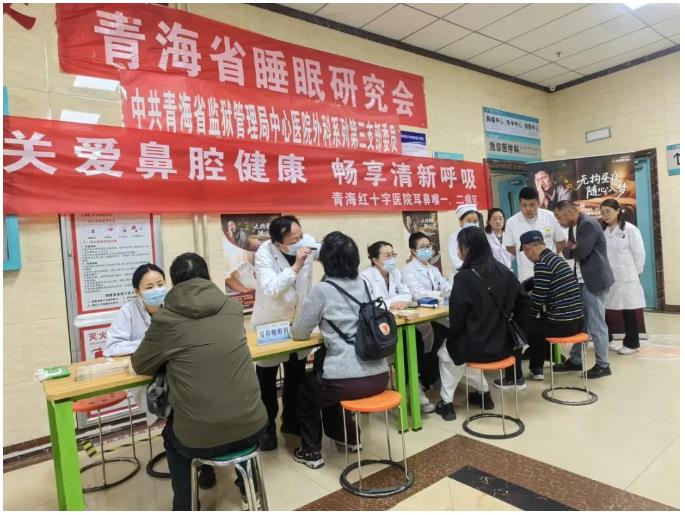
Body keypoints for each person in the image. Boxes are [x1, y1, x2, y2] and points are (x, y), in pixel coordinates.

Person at [131, 253, 268, 511]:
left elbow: (140, 364)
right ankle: (250, 492)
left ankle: (185, 505)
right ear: (208, 277)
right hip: (254, 425)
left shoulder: (165, 320)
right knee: (227, 409)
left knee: (173, 435)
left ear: (173, 283)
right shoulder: (233, 309)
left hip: (199, 439)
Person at [291, 232, 389, 469]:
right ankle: (350, 438)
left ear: (326, 259)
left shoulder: (322, 290)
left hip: (346, 382)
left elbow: (299, 332)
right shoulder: (364, 283)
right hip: (379, 375)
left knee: (305, 392)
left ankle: (311, 452)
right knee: (324, 377)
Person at [252, 215, 318, 451]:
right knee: (267, 381)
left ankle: (291, 421)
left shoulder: (306, 240)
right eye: (294, 240)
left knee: (296, 376)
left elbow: (323, 250)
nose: (301, 241)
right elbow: (271, 289)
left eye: (301, 235)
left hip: (298, 322)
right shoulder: (263, 254)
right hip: (271, 325)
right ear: (279, 244)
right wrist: (296, 266)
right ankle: (267, 429)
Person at [444, 227, 529, 403]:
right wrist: (518, 329)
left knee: (445, 353)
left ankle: (447, 402)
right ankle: (483, 394)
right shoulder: (504, 271)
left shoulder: (463, 278)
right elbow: (524, 302)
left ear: (467, 248)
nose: (458, 250)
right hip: (505, 348)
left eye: (459, 246)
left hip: (477, 350)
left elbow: (456, 320)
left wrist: (454, 342)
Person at [498, 231, 584, 388]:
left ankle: (514, 379)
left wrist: (523, 319)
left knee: (515, 331)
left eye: (525, 252)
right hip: (577, 322)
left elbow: (538, 299)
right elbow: (537, 284)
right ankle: (536, 369)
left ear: (528, 248)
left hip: (562, 325)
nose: (526, 256)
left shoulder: (542, 263)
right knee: (538, 327)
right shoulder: (556, 259)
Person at [553, 201, 615, 378]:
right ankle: (576, 360)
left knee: (596, 324)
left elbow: (581, 252)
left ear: (569, 212)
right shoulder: (573, 227)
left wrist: (574, 247)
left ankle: (603, 365)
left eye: (559, 216)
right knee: (582, 323)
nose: (558, 221)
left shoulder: (588, 224)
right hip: (581, 280)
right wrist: (572, 247)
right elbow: (568, 253)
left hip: (594, 281)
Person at [401, 232, 453, 413]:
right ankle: (418, 383)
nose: (427, 250)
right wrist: (440, 295)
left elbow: (445, 285)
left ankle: (435, 375)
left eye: (428, 246)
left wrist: (450, 291)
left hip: (436, 315)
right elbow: (417, 293)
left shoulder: (433, 269)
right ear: (413, 251)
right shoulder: (408, 270)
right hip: (420, 318)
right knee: (424, 341)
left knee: (447, 334)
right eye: (422, 247)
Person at [600, 199, 646, 355]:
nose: (605, 215)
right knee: (605, 307)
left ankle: (632, 343)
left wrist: (637, 272)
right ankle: (608, 338)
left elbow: (639, 253)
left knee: (629, 308)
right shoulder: (603, 231)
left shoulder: (630, 230)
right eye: (603, 212)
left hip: (627, 276)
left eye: (608, 211)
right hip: (609, 276)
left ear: (618, 211)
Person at [503, 187, 567, 284]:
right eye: (524, 205)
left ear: (538, 202)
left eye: (532, 205)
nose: (528, 209)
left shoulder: (550, 217)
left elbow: (561, 241)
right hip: (526, 274)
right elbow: (509, 247)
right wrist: (525, 255)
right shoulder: (511, 222)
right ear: (520, 204)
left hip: (550, 272)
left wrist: (550, 256)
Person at [360, 241, 412, 310]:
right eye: (388, 256)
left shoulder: (395, 273)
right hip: (378, 316)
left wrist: (388, 303)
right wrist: (390, 304)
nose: (392, 259)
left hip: (397, 312)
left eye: (393, 254)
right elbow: (368, 305)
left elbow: (407, 295)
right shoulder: (365, 277)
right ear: (375, 260)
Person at [447, 204, 481, 276]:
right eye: (468, 221)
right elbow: (456, 263)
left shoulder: (481, 236)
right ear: (460, 221)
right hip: (462, 275)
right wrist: (472, 273)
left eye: (475, 221)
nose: (472, 224)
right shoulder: (454, 237)